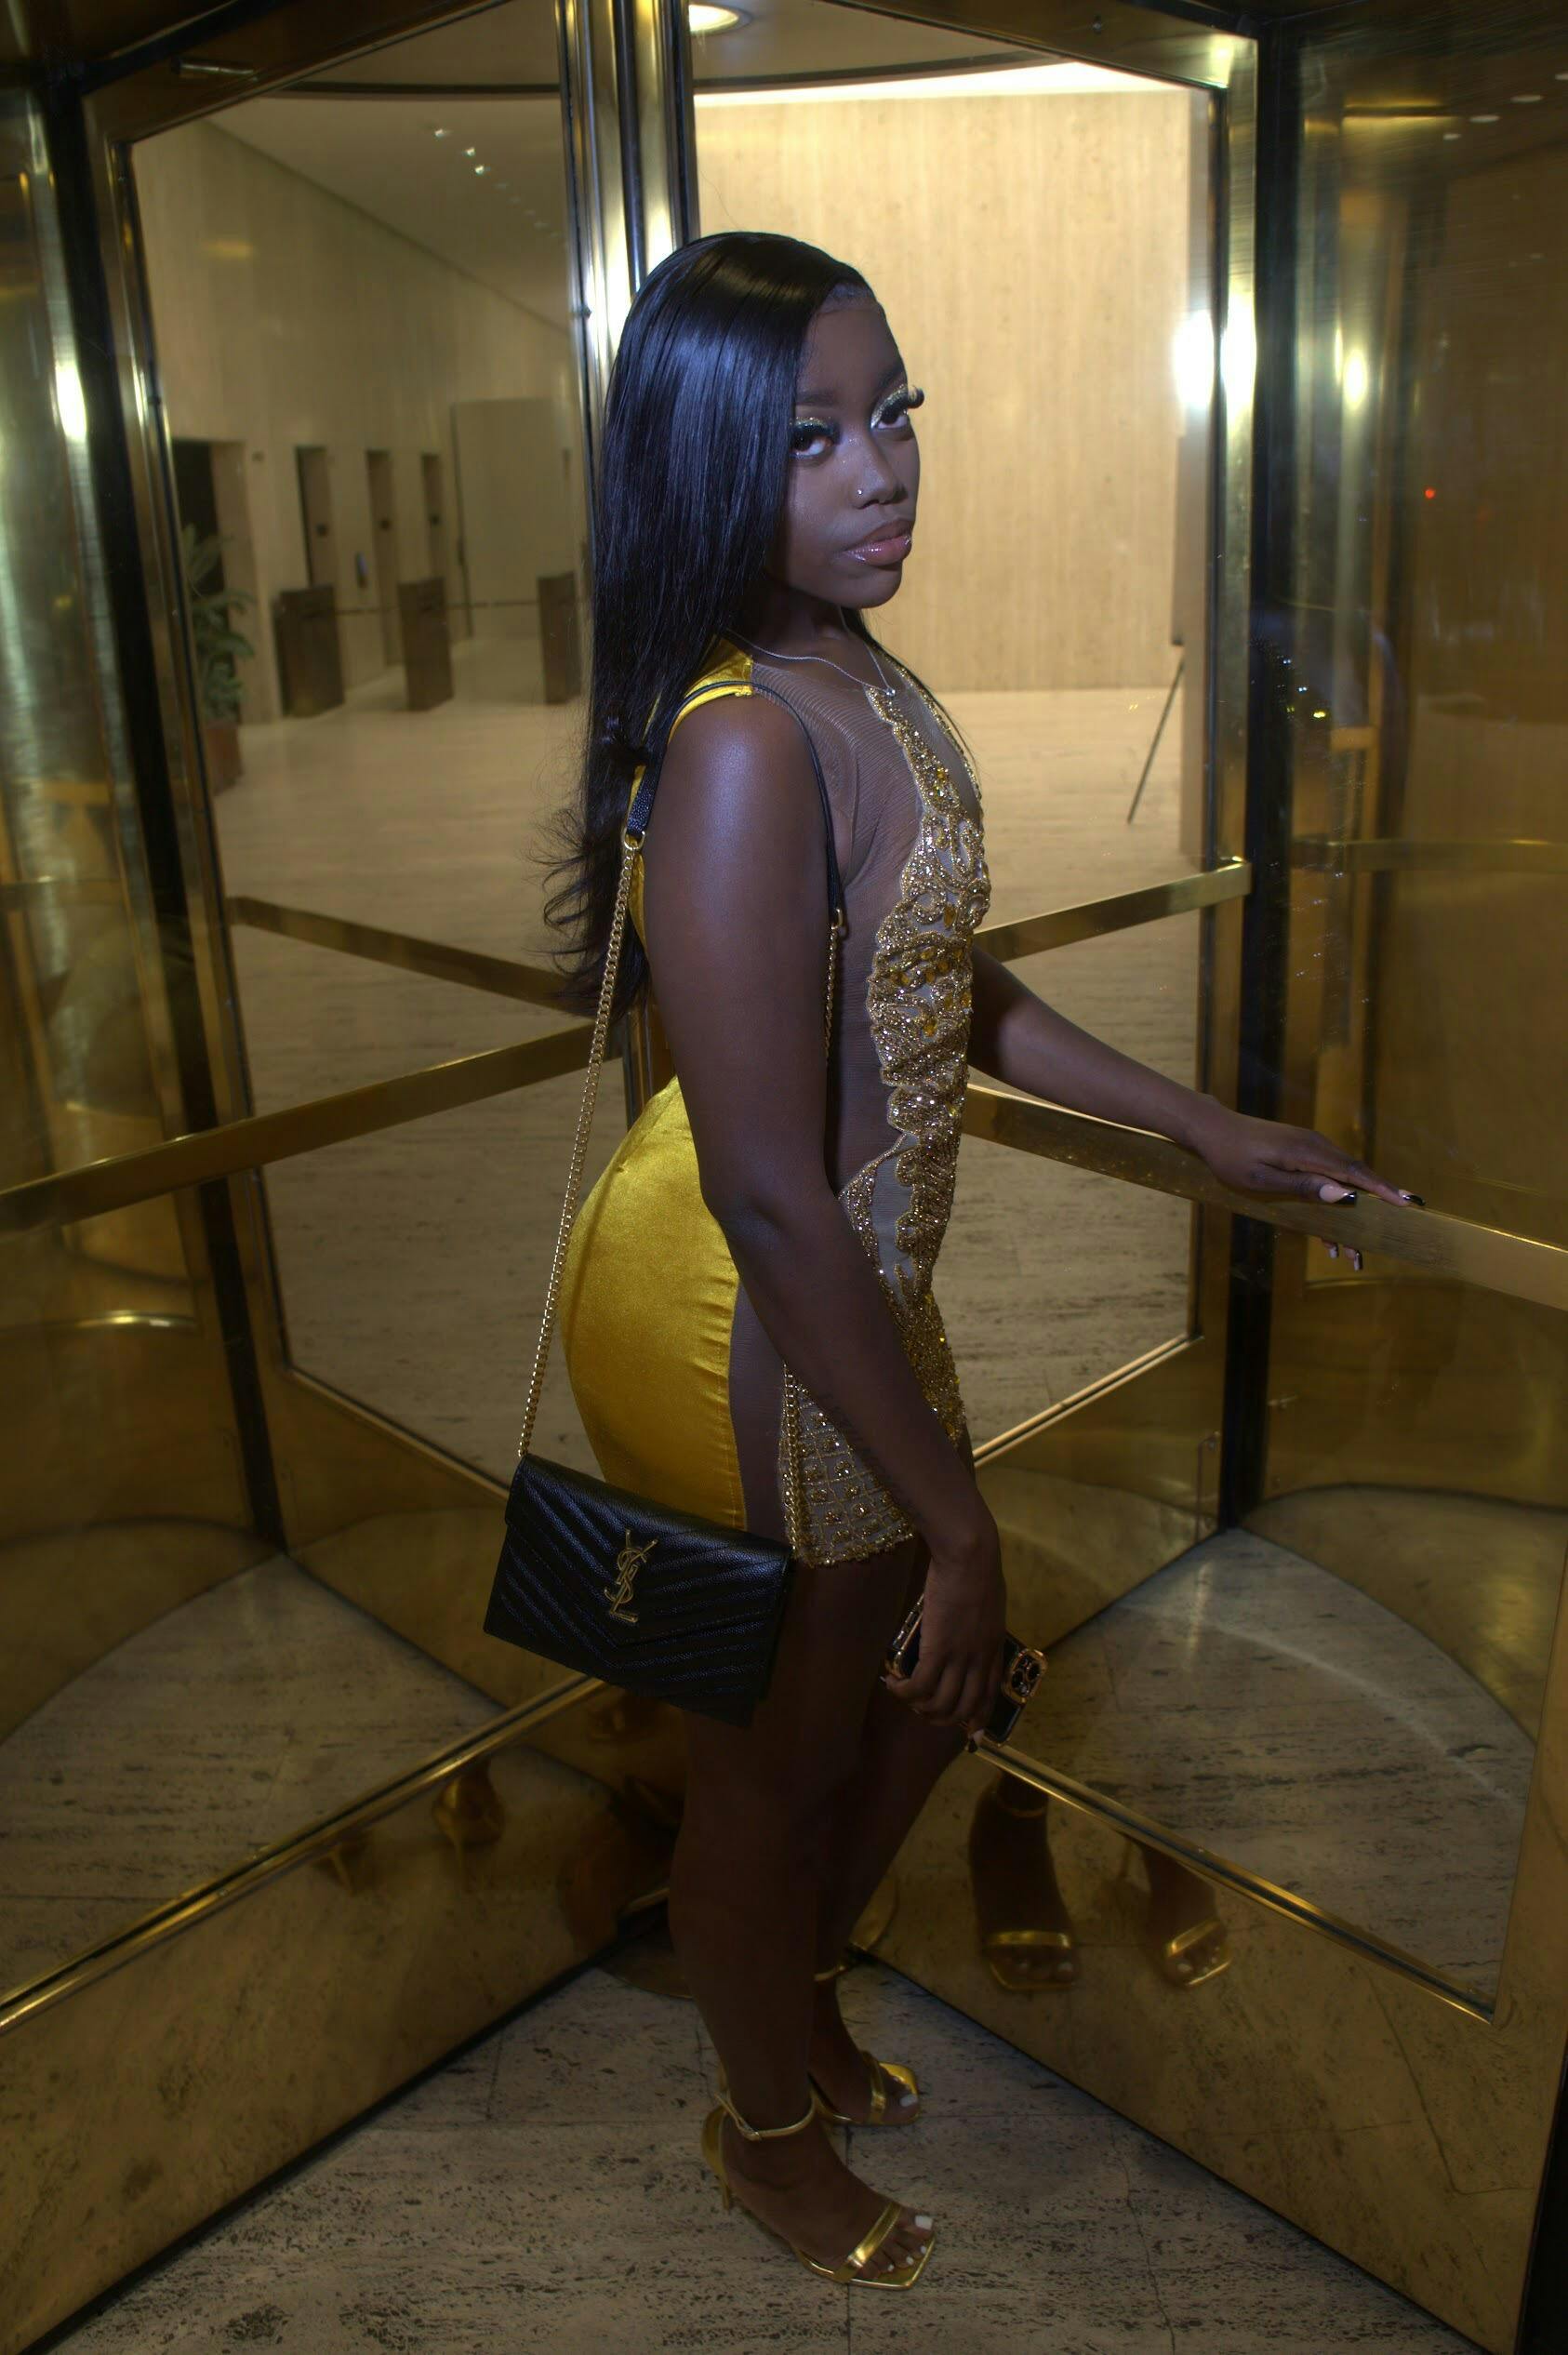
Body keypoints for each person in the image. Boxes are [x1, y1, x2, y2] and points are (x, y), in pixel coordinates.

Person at [546, 229, 1418, 2291]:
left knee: (910, 1691)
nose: (883, 470)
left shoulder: (856, 671)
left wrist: (1194, 1118)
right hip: (750, 1293)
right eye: (812, 438)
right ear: (704, 465)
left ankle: (791, 2003)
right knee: (782, 1758)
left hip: (844, 1269)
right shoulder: (746, 738)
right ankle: (763, 2128)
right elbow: (767, 1188)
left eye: (897, 414)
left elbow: (940, 982)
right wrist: (954, 1521)